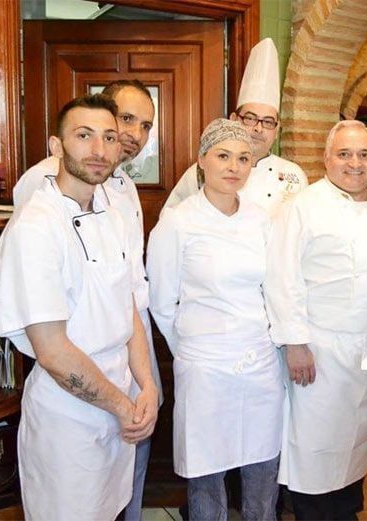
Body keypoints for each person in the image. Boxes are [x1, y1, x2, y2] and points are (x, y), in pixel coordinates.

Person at [0, 94, 159, 519]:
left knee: (115, 509)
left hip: (120, 403)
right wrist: (124, 406)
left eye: (109, 137)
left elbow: (129, 309)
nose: (99, 150)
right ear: (56, 146)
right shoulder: (35, 227)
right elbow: (52, 351)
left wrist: (147, 385)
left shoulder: (112, 214)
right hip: (69, 416)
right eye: (84, 136)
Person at [265, 120, 367, 520]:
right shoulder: (303, 206)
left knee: (358, 440)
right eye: (344, 154)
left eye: (364, 155)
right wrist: (294, 343)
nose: (355, 164)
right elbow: (282, 277)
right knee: (316, 449)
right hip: (320, 352)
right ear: (326, 158)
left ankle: (347, 511)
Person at [147, 118, 283, 521]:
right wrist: (194, 347)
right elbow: (161, 301)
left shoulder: (260, 219)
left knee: (262, 467)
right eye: (223, 156)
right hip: (204, 365)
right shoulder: (178, 221)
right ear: (202, 159)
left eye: (243, 158)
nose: (233, 167)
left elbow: (273, 288)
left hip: (259, 361)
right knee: (207, 472)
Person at [163, 38, 307, 217]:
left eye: (268, 122)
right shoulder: (203, 170)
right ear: (234, 120)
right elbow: (171, 218)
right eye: (250, 118)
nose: (258, 129)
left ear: (277, 130)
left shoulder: (294, 175)